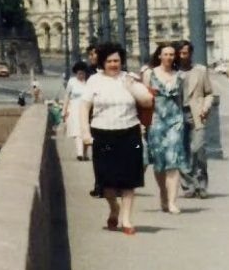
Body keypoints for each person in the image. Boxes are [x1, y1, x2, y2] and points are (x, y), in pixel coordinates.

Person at [78, 42, 155, 235]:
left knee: (130, 178)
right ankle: (114, 207)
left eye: (117, 61)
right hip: (102, 133)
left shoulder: (128, 78)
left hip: (129, 131)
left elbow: (147, 101)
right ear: (103, 62)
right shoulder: (94, 81)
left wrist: (132, 86)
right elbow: (84, 108)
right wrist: (85, 133)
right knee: (106, 181)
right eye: (110, 61)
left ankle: (127, 219)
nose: (114, 64)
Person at [141, 43, 188, 214]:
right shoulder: (149, 74)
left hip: (175, 121)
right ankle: (163, 193)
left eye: (172, 54)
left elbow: (182, 100)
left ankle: (172, 201)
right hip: (156, 120)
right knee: (160, 163)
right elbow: (144, 99)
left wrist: (185, 119)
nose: (169, 57)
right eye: (165, 54)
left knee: (173, 161)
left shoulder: (180, 76)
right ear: (159, 56)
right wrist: (143, 123)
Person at [178, 40, 215, 198]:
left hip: (196, 114)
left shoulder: (200, 70)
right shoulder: (172, 72)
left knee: (197, 149)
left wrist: (206, 107)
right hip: (177, 115)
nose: (182, 56)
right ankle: (188, 186)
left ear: (191, 54)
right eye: (179, 53)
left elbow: (209, 93)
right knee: (182, 151)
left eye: (185, 53)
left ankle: (201, 184)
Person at [63, 62, 92, 160]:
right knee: (77, 131)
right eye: (79, 73)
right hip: (74, 108)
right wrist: (64, 110)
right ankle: (79, 153)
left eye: (82, 73)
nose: (81, 75)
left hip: (86, 108)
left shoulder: (88, 82)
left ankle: (85, 153)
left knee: (85, 130)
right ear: (76, 73)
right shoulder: (71, 82)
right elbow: (67, 96)